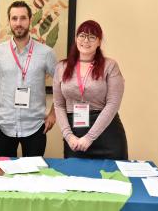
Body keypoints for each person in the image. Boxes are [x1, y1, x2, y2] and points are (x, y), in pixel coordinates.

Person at [0, 1, 57, 157]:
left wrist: (53, 114)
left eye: (23, 18)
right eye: (14, 18)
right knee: (4, 176)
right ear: (9, 21)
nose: (18, 23)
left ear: (30, 20)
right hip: (4, 126)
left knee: (33, 177)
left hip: (35, 126)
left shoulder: (46, 53)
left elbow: (62, 86)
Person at [53, 20, 128, 160]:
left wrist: (89, 137)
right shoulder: (61, 67)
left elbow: (113, 104)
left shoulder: (110, 66)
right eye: (82, 35)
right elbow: (58, 104)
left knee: (112, 180)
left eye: (92, 37)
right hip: (75, 138)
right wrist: (68, 136)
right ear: (76, 39)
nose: (86, 40)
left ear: (99, 42)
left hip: (107, 135)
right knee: (76, 179)